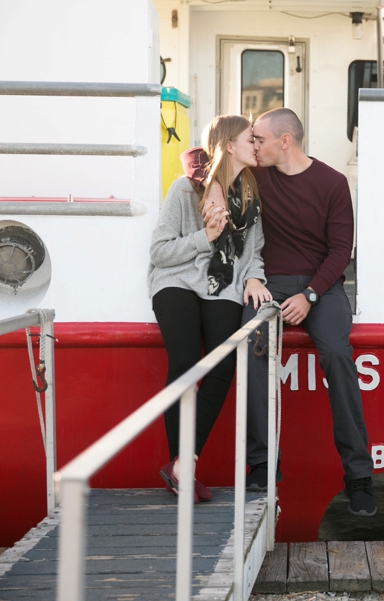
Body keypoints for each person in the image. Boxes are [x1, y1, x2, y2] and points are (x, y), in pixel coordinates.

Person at [244, 107, 375, 516]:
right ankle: (264, 464)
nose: (254, 146)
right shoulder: (255, 177)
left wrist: (311, 295)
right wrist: (251, 277)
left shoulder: (333, 183)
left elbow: (342, 252)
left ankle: (358, 477)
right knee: (251, 346)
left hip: (322, 286)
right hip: (270, 282)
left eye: (259, 139)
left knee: (337, 355)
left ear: (285, 141)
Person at [147, 114, 273, 502]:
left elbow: (254, 254)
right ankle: (182, 466)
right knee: (185, 364)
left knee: (221, 367)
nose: (256, 145)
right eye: (249, 139)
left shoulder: (250, 197)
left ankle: (183, 465)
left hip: (225, 288)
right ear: (229, 145)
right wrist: (206, 238)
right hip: (177, 283)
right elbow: (159, 252)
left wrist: (255, 277)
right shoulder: (185, 191)